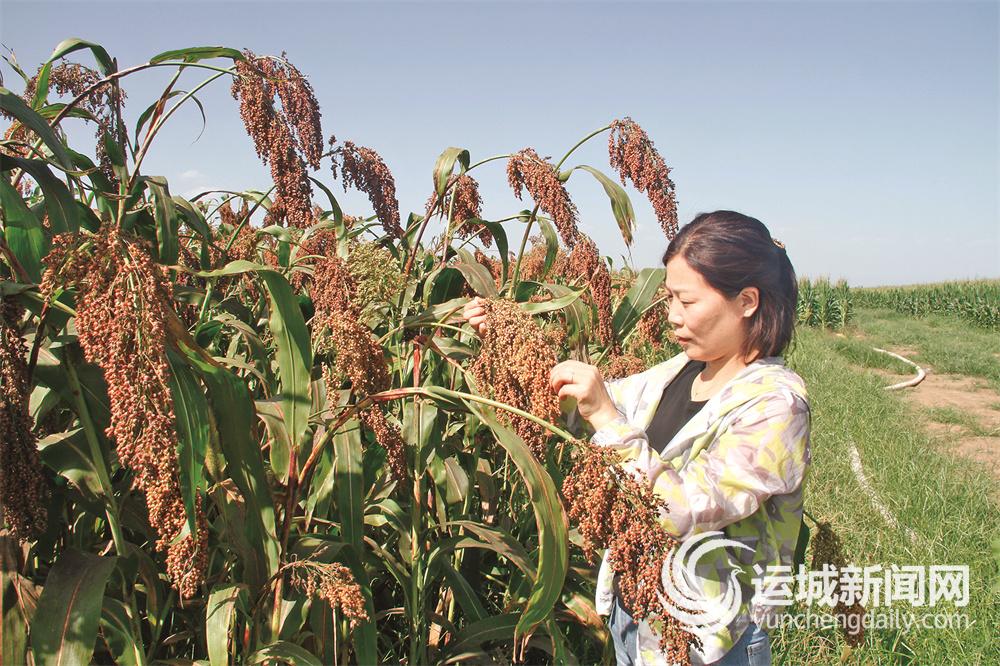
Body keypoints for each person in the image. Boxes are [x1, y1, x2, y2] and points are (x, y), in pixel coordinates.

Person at [463, 210, 810, 666]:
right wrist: (505, 342)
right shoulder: (681, 372)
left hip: (708, 642)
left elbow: (680, 510)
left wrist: (605, 416)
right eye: (668, 299)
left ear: (746, 301)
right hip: (637, 615)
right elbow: (576, 412)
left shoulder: (776, 406)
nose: (671, 316)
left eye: (686, 302)